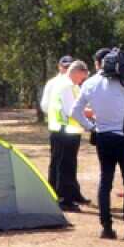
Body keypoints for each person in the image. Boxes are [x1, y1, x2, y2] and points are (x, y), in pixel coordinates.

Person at [73, 48, 124, 241]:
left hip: (103, 136)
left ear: (98, 63)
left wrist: (91, 127)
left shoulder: (91, 83)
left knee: (105, 181)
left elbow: (74, 111)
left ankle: (106, 227)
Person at [47, 60, 90, 210]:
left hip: (64, 130)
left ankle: (60, 195)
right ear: (77, 72)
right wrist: (90, 121)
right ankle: (65, 200)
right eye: (82, 77)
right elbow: (71, 110)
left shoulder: (68, 84)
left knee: (61, 164)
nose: (82, 80)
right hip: (65, 131)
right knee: (65, 166)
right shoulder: (67, 86)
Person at [42, 55, 73, 197]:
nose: (66, 68)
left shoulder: (74, 82)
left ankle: (73, 191)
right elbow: (44, 105)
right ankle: (53, 191)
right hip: (58, 127)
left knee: (70, 162)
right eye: (64, 66)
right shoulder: (53, 83)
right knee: (57, 161)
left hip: (72, 129)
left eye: (69, 66)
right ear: (59, 67)